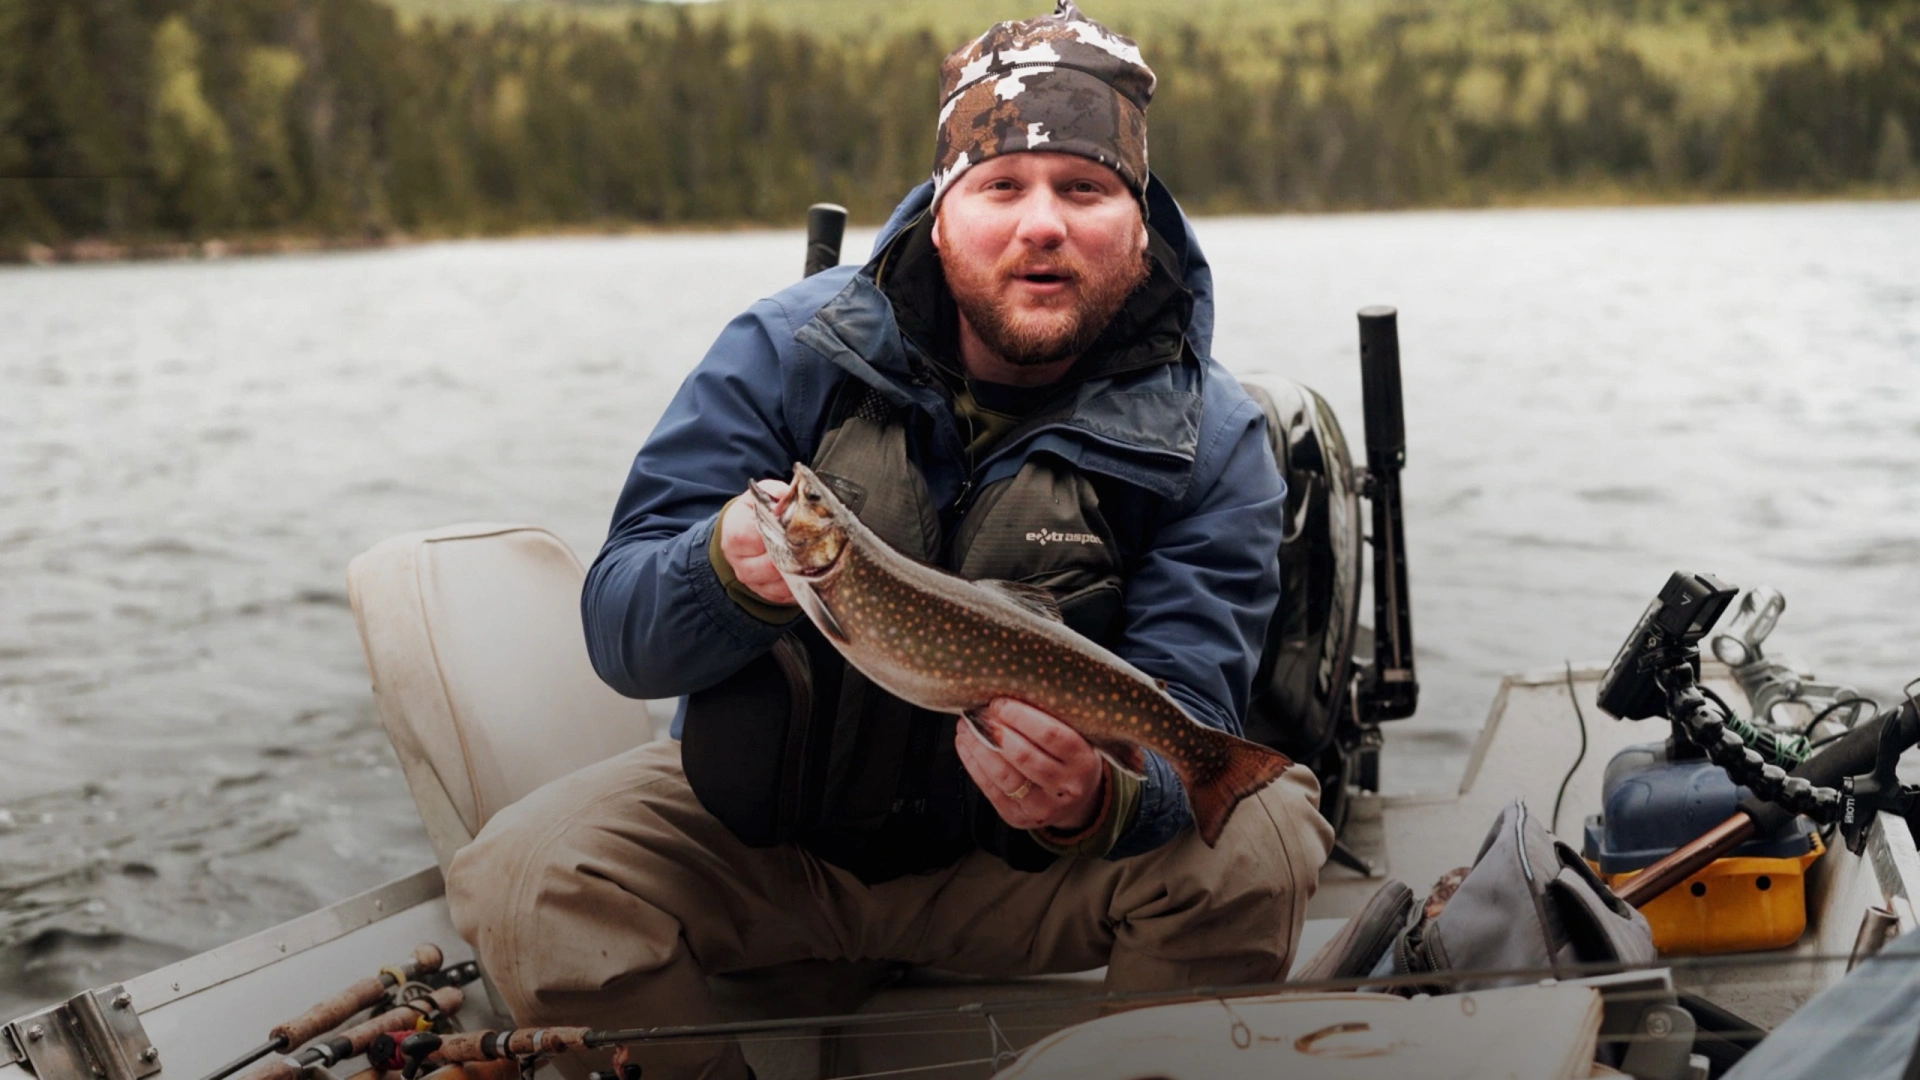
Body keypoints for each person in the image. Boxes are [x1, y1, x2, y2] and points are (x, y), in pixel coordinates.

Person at [446, 4, 1333, 1077]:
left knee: (1263, 839)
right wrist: (718, 569)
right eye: (1002, 186)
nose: (1041, 223)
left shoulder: (1217, 436)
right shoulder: (783, 350)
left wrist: (1108, 801)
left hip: (1026, 876)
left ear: (1138, 223)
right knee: (522, 874)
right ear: (941, 211)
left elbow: (1193, 705)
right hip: (767, 850)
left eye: (1085, 189)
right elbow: (621, 633)